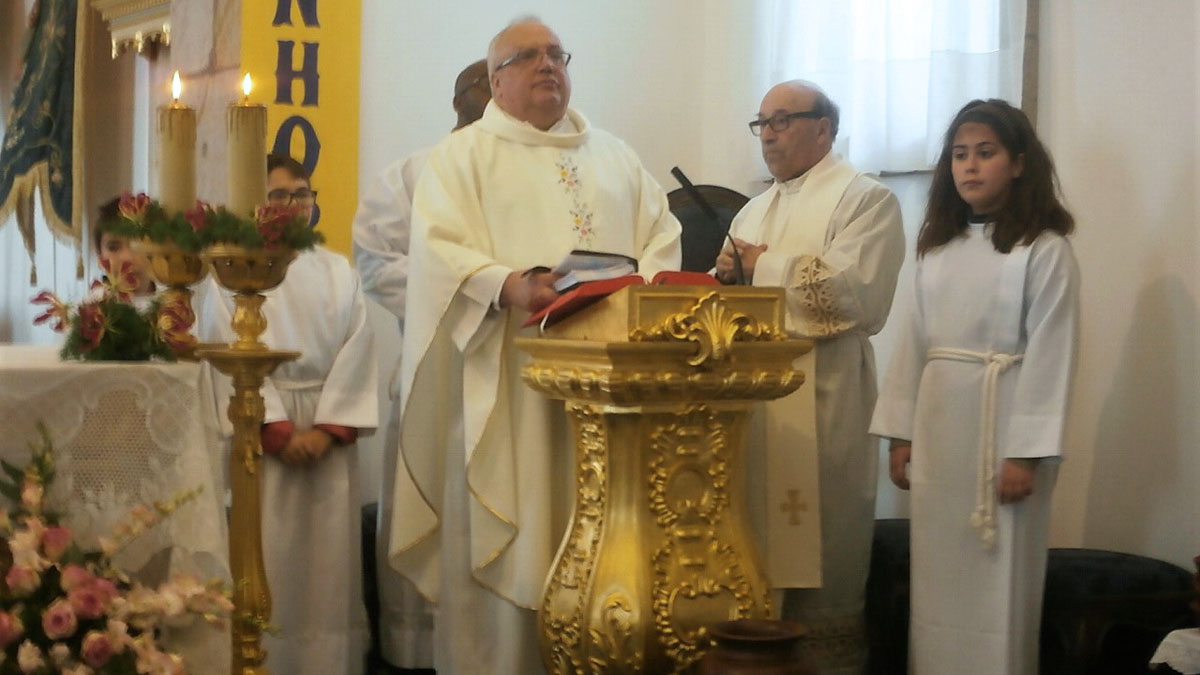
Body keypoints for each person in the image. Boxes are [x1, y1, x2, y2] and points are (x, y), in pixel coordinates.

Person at [387, 17, 681, 674]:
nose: (547, 64)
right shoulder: (461, 156)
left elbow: (661, 234)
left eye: (556, 54)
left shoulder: (614, 154)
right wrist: (512, 284)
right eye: (527, 56)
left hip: (607, 391)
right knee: (510, 527)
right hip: (507, 383)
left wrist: (644, 289)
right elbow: (436, 249)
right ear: (495, 80)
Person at [869, 99, 1079, 675]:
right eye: (960, 154)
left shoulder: (1044, 249)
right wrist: (900, 436)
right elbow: (913, 344)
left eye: (985, 153)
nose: (970, 166)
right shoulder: (936, 249)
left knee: (1000, 581)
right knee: (939, 582)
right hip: (942, 435)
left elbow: (1052, 354)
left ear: (1018, 163)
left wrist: (1026, 453)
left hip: (1005, 430)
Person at [713, 80, 905, 673]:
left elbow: (853, 297)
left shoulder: (865, 200)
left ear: (824, 127)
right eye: (761, 122)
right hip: (754, 410)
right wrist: (726, 276)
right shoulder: (753, 208)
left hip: (826, 400)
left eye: (783, 120)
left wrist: (758, 265)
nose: (768, 133)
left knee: (824, 552)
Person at [195, 154, 378, 675]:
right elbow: (229, 349)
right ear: (256, 206)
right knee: (269, 558)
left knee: (328, 571)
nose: (294, 207)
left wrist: (327, 431)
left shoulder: (337, 270)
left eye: (303, 195)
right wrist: (274, 429)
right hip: (262, 438)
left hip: (325, 438)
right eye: (280, 197)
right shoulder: (231, 271)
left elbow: (358, 346)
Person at [351, 57, 490, 670]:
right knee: (429, 505)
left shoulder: (546, 179)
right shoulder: (409, 175)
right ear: (459, 99)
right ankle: (421, 651)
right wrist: (483, 288)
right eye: (482, 86)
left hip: (517, 374)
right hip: (435, 368)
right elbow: (377, 265)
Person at [92, 196, 155, 310]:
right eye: (113, 248)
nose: (127, 258)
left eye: (137, 245)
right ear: (99, 255)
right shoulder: (89, 314)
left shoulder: (175, 311)